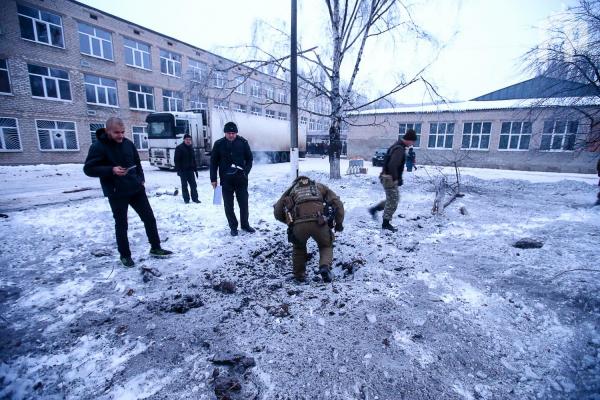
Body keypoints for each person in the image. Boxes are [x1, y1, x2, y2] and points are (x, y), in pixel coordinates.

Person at [83, 117, 173, 267]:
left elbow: (137, 163)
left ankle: (156, 248)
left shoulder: (128, 144)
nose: (120, 135)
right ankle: (125, 255)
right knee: (122, 224)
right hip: (116, 192)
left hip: (136, 189)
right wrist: (111, 170)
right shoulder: (98, 147)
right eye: (116, 132)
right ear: (107, 131)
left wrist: (141, 179)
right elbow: (88, 169)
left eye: (123, 132)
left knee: (149, 218)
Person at [273, 176, 344, 283]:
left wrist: (290, 223)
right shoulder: (319, 187)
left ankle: (299, 275)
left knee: (299, 248)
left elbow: (278, 211)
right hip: (319, 222)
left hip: (299, 224)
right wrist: (338, 224)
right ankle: (324, 267)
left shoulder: (291, 190)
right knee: (325, 245)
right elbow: (337, 203)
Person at [210, 121, 255, 236]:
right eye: (229, 133)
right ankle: (233, 227)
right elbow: (213, 163)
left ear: (236, 133)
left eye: (233, 133)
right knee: (228, 206)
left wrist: (246, 172)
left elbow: (250, 159)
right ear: (225, 133)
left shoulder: (243, 143)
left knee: (244, 204)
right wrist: (213, 179)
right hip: (226, 180)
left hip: (241, 179)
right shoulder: (218, 144)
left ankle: (245, 225)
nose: (231, 135)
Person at [368, 128, 417, 232]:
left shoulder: (397, 146)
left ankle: (374, 209)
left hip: (387, 177)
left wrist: (398, 178)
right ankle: (386, 223)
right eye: (412, 141)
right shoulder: (399, 149)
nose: (412, 144)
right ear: (409, 139)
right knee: (393, 201)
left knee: (393, 199)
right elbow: (392, 165)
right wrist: (396, 179)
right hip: (389, 178)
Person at [174, 133, 200, 204]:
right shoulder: (179, 148)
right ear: (184, 140)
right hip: (183, 171)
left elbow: (193, 160)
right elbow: (176, 160)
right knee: (184, 186)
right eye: (187, 139)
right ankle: (186, 199)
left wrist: (195, 170)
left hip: (190, 170)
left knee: (193, 185)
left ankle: (195, 199)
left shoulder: (191, 148)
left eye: (189, 140)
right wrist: (178, 170)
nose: (188, 141)